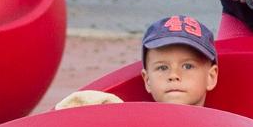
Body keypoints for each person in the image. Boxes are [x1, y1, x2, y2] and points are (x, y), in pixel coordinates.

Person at [53, 15, 219, 109]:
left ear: (211, 77)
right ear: (147, 80)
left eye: (187, 66)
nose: (174, 75)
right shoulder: (135, 124)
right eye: (162, 67)